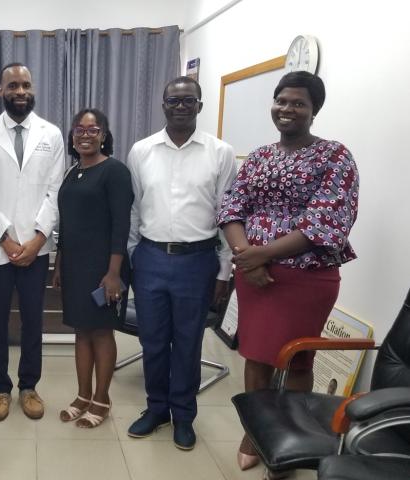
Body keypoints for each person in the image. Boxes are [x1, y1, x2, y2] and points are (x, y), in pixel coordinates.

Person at [218, 71, 359, 471]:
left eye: (298, 103)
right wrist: (247, 256)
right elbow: (231, 207)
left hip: (306, 278)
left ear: (314, 110)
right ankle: (254, 429)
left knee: (298, 360)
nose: (287, 109)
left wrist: (260, 255)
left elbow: (326, 222)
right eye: (281, 100)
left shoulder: (334, 156)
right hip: (255, 276)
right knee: (257, 356)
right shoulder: (260, 156)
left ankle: (294, 436)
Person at [126, 76, 236, 450]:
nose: (181, 107)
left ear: (200, 106)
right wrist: (130, 262)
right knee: (153, 341)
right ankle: (156, 408)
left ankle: (184, 416)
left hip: (197, 261)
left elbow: (228, 215)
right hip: (151, 258)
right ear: (163, 105)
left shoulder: (220, 152)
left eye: (189, 101)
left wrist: (224, 269)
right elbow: (134, 211)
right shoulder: (141, 151)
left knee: (188, 344)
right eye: (174, 101)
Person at [0, 63, 65, 422]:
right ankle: (0, 389)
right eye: (12, 85)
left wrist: (38, 239)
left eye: (25, 84)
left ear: (33, 88)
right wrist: (7, 240)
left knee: (32, 320)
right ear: (0, 91)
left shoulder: (51, 134)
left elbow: (56, 191)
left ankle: (28, 386)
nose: (20, 91)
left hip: (36, 249)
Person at [53, 109, 133, 428]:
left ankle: (102, 398)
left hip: (104, 267)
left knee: (101, 331)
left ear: (104, 135)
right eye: (79, 129)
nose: (85, 135)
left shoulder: (115, 171)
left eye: (93, 129)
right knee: (81, 330)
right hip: (74, 265)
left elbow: (121, 225)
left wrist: (114, 273)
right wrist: (59, 263)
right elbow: (67, 223)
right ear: (72, 136)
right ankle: (83, 394)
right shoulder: (73, 172)